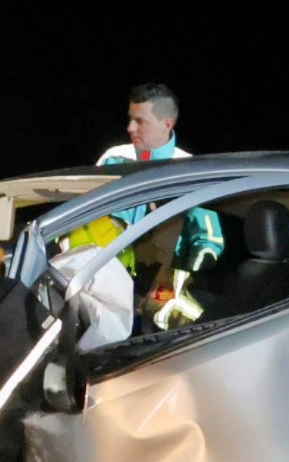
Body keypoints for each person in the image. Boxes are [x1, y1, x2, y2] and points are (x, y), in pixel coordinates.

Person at [92, 83, 223, 328]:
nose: (130, 128)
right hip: (106, 280)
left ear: (167, 124)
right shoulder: (113, 159)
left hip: (160, 287)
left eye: (140, 121)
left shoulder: (189, 170)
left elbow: (209, 241)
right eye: (130, 119)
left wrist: (181, 279)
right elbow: (83, 216)